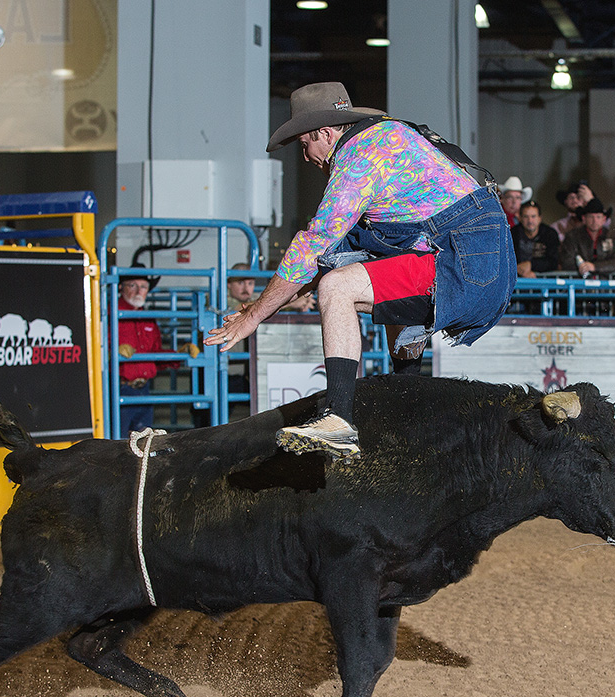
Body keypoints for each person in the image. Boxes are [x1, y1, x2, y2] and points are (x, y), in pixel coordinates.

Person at [206, 82, 515, 459]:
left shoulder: (359, 158)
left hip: (463, 259)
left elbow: (314, 243)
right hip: (476, 254)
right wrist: (270, 303)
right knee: (375, 277)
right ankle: (407, 412)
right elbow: (335, 254)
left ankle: (338, 419)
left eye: (305, 146)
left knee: (338, 287)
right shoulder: (385, 136)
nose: (306, 157)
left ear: (324, 133)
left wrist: (255, 316)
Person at [116, 273, 201, 438]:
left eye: (143, 287)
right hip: (119, 389)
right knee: (116, 443)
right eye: (132, 285)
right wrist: (112, 352)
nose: (138, 291)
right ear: (121, 287)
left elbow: (155, 353)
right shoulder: (110, 314)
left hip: (144, 390)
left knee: (142, 444)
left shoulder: (148, 318)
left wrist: (179, 355)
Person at [558, 198, 615, 277]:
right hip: (581, 285)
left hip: (607, 285)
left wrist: (595, 267)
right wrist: (582, 267)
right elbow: (566, 261)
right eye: (591, 217)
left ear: (604, 219)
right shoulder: (573, 236)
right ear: (584, 219)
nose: (594, 221)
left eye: (598, 217)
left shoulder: (613, 236)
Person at [511, 199, 558, 277]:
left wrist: (531, 265)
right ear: (520, 218)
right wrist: (519, 269)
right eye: (526, 217)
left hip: (544, 282)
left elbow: (553, 262)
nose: (530, 221)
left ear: (540, 218)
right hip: (517, 281)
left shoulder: (550, 234)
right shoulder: (513, 234)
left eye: (533, 216)